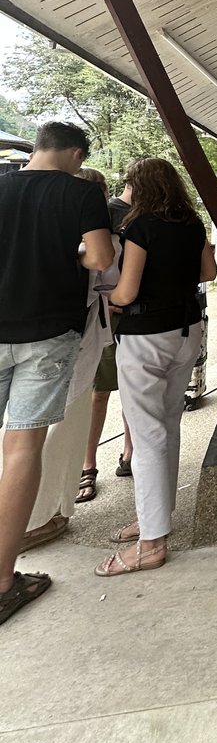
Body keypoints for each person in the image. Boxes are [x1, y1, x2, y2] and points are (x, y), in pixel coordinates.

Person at [0, 123, 114, 624]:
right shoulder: (80, 193)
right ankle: (3, 580)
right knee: (23, 448)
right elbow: (101, 257)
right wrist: (73, 251)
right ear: (75, 153)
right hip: (48, 333)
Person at [96, 158, 216, 577]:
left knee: (147, 434)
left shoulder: (140, 227)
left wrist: (110, 298)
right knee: (167, 424)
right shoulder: (193, 223)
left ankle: (151, 543)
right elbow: (208, 271)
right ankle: (156, 517)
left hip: (145, 335)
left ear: (138, 186)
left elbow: (127, 292)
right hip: (187, 330)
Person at [21, 167, 119, 549]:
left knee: (30, 432)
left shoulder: (39, 232)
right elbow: (109, 281)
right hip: (72, 343)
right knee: (59, 430)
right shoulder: (95, 245)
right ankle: (39, 516)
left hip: (32, 338)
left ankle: (42, 512)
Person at [77, 181, 133, 501]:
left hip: (125, 319)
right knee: (98, 393)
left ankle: (128, 452)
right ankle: (88, 464)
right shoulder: (96, 225)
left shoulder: (125, 225)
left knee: (129, 390)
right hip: (99, 322)